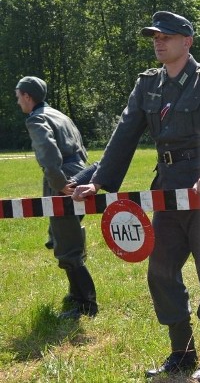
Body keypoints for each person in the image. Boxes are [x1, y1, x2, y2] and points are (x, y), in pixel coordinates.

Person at [72, 11, 200, 381]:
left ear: (187, 41)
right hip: (166, 191)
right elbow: (124, 133)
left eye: (165, 37)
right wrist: (97, 181)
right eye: (154, 38)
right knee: (160, 271)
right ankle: (182, 351)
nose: (158, 43)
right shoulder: (147, 85)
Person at [15, 76, 99, 320]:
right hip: (79, 173)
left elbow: (48, 154)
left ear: (28, 97)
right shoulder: (60, 115)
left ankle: (86, 304)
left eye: (19, 96)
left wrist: (60, 184)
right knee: (67, 236)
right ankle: (76, 294)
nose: (18, 101)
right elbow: (81, 149)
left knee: (67, 245)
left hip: (64, 179)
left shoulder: (37, 118)